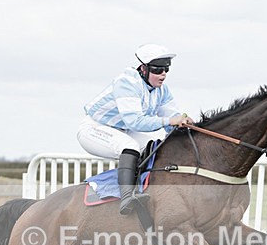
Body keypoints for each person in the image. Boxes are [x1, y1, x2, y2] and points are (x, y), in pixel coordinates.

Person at [77, 44, 194, 215]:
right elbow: (135, 122)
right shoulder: (127, 82)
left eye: (166, 70)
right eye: (158, 70)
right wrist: (170, 120)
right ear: (144, 69)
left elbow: (171, 119)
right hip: (94, 129)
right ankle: (127, 198)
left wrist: (184, 124)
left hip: (122, 131)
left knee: (154, 146)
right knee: (129, 147)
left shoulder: (162, 90)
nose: (163, 75)